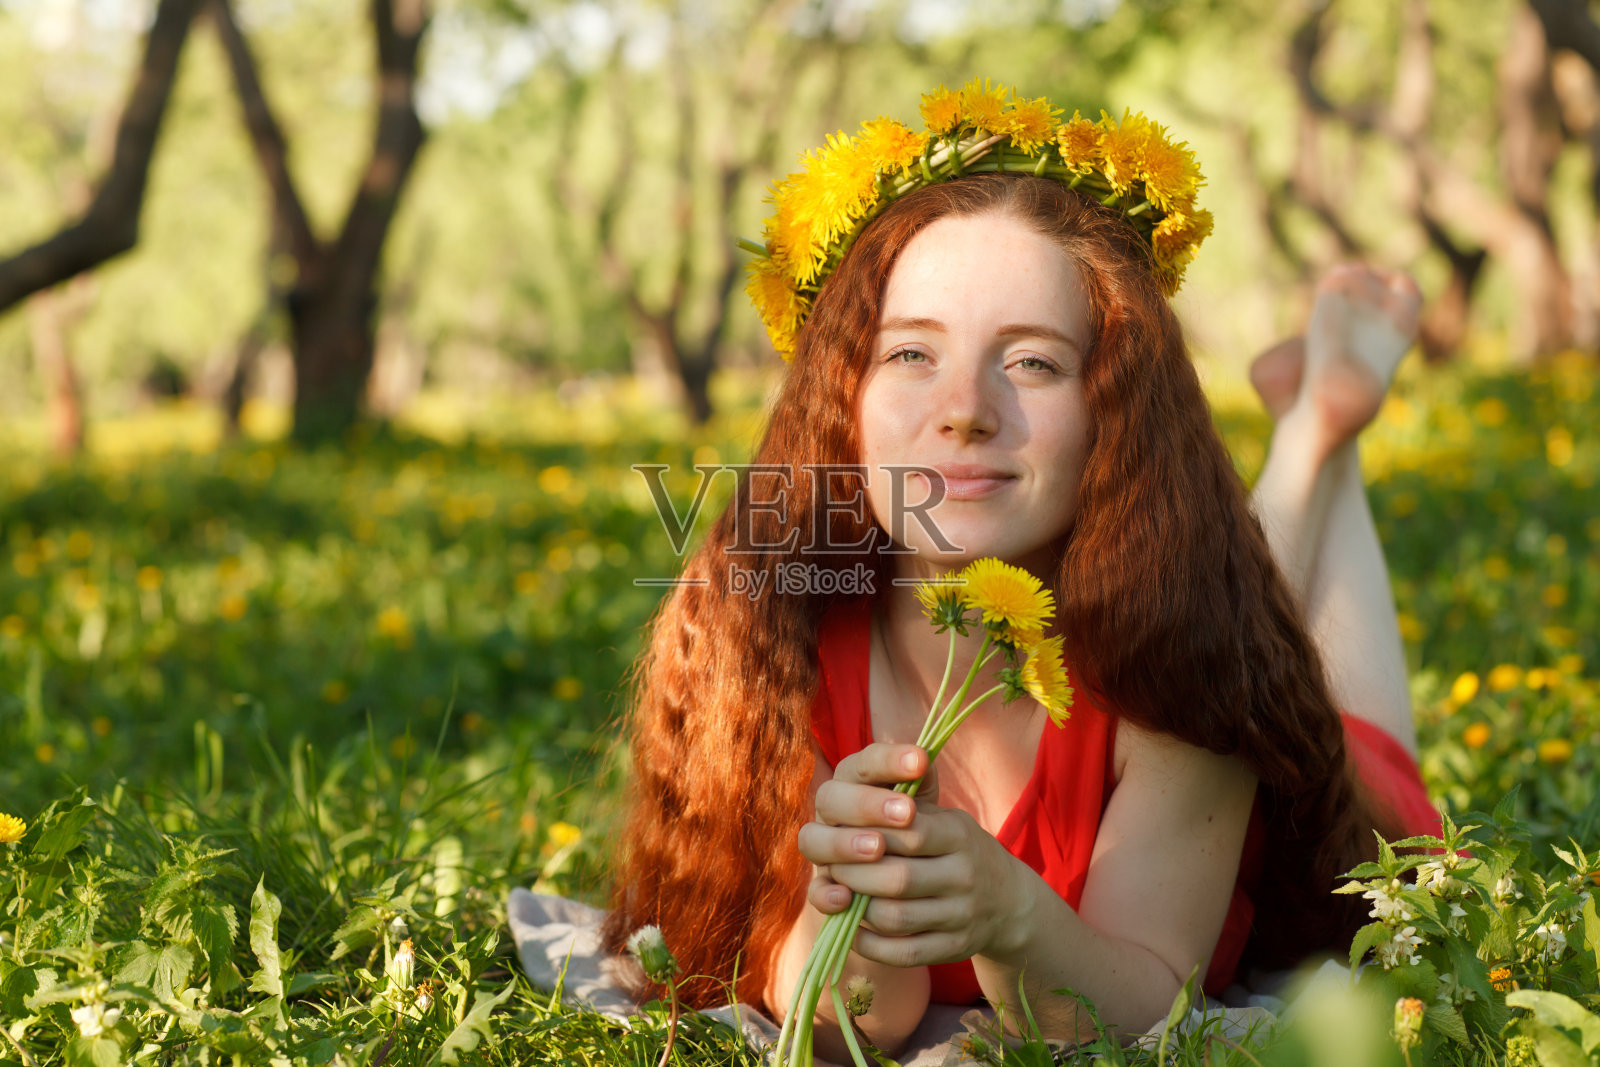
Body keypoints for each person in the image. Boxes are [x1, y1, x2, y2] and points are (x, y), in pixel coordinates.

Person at [600, 87, 1438, 1060]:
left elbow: (1135, 1007)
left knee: (1333, 695)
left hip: (1336, 781)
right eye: (911, 351)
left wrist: (1008, 914)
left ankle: (1320, 426)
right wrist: (857, 915)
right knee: (1248, 574)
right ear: (843, 395)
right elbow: (851, 1016)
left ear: (1111, 410)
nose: (963, 409)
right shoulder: (784, 637)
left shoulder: (1188, 663)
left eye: (1033, 363)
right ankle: (1313, 422)